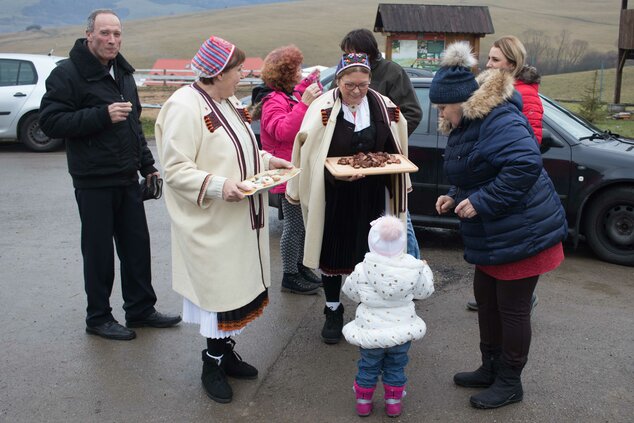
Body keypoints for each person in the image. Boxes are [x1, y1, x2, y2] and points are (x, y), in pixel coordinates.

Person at [154, 36, 293, 404]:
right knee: (219, 296)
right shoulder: (183, 108)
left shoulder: (227, 100)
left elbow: (238, 146)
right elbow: (175, 169)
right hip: (212, 223)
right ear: (216, 73)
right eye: (237, 71)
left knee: (236, 292)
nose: (242, 77)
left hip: (240, 220)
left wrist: (266, 161)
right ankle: (211, 363)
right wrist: (218, 186)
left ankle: (225, 351)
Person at [431, 42, 567, 409]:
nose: (441, 114)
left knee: (512, 309)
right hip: (497, 233)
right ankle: (489, 368)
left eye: (443, 106)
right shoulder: (467, 123)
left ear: (461, 100)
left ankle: (510, 382)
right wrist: (456, 193)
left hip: (524, 233)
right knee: (487, 303)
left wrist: (481, 201)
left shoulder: (499, 118)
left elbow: (525, 165)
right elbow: (477, 167)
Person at [39, 9, 181, 341]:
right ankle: (98, 317)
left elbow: (133, 127)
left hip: (126, 177)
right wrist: (101, 116)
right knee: (99, 253)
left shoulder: (123, 73)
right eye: (105, 33)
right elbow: (51, 122)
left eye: (117, 34)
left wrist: (147, 165)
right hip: (93, 180)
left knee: (137, 247)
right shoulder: (67, 74)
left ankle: (141, 309)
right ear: (89, 34)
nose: (112, 40)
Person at [286, 53, 411, 345]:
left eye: (363, 85)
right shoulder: (323, 109)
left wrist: (395, 172)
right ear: (338, 81)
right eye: (350, 85)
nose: (356, 91)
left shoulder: (382, 105)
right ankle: (333, 309)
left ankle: (370, 311)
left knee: (371, 253)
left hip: (373, 194)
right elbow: (309, 151)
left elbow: (397, 140)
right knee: (333, 252)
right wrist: (333, 176)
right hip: (335, 195)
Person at [466, 35, 544, 313]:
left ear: (511, 64)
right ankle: (495, 294)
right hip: (494, 177)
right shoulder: (496, 88)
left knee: (513, 250)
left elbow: (529, 143)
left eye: (495, 59)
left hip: (507, 180)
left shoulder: (523, 93)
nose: (488, 64)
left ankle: (519, 298)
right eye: (488, 58)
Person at [337, 28, 423, 260]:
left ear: (366, 51)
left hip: (385, 165)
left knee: (398, 219)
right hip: (356, 167)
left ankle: (412, 270)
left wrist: (388, 141)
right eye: (346, 54)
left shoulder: (392, 72)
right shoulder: (346, 75)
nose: (348, 59)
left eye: (352, 52)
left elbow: (412, 113)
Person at [341, 215, 434, 417]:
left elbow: (350, 292)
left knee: (368, 366)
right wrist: (424, 268)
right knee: (396, 366)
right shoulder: (412, 268)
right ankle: (393, 402)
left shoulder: (362, 269)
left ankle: (363, 401)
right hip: (401, 332)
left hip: (370, 332)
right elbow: (424, 292)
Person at [251, 45, 322, 295]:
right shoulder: (272, 101)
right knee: (294, 226)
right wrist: (304, 103)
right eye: (298, 69)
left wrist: (305, 92)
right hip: (286, 174)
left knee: (302, 224)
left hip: (296, 172)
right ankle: (290, 275)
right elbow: (282, 130)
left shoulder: (287, 97)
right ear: (286, 72)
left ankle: (301, 268)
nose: (300, 73)